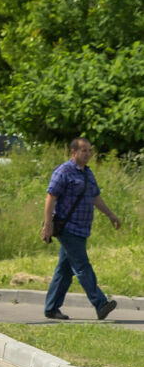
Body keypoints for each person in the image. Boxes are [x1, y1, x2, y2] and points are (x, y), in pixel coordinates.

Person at [41, 137, 121, 320]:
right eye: (84, 150)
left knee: (64, 270)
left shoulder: (87, 174)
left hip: (82, 229)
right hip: (68, 228)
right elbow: (50, 197)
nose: (88, 154)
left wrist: (111, 215)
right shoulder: (64, 171)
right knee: (82, 266)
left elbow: (95, 198)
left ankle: (51, 307)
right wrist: (47, 225)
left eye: (89, 151)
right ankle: (100, 303)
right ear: (73, 152)